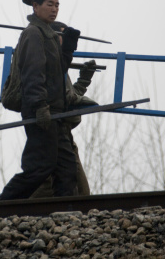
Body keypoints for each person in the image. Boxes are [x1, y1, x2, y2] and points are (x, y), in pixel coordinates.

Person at [0, 0, 81, 201]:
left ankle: (64, 214)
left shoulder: (48, 35)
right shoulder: (33, 33)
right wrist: (40, 107)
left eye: (56, 5)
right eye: (49, 4)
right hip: (42, 112)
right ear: (36, 6)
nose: (54, 9)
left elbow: (57, 72)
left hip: (56, 114)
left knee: (67, 170)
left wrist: (68, 48)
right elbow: (33, 74)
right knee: (38, 169)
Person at [30, 21, 97, 198]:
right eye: (61, 38)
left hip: (64, 132)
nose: (64, 42)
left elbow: (67, 97)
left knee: (79, 191)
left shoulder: (60, 65)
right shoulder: (45, 63)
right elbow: (61, 98)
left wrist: (83, 81)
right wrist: (79, 99)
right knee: (45, 188)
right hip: (51, 131)